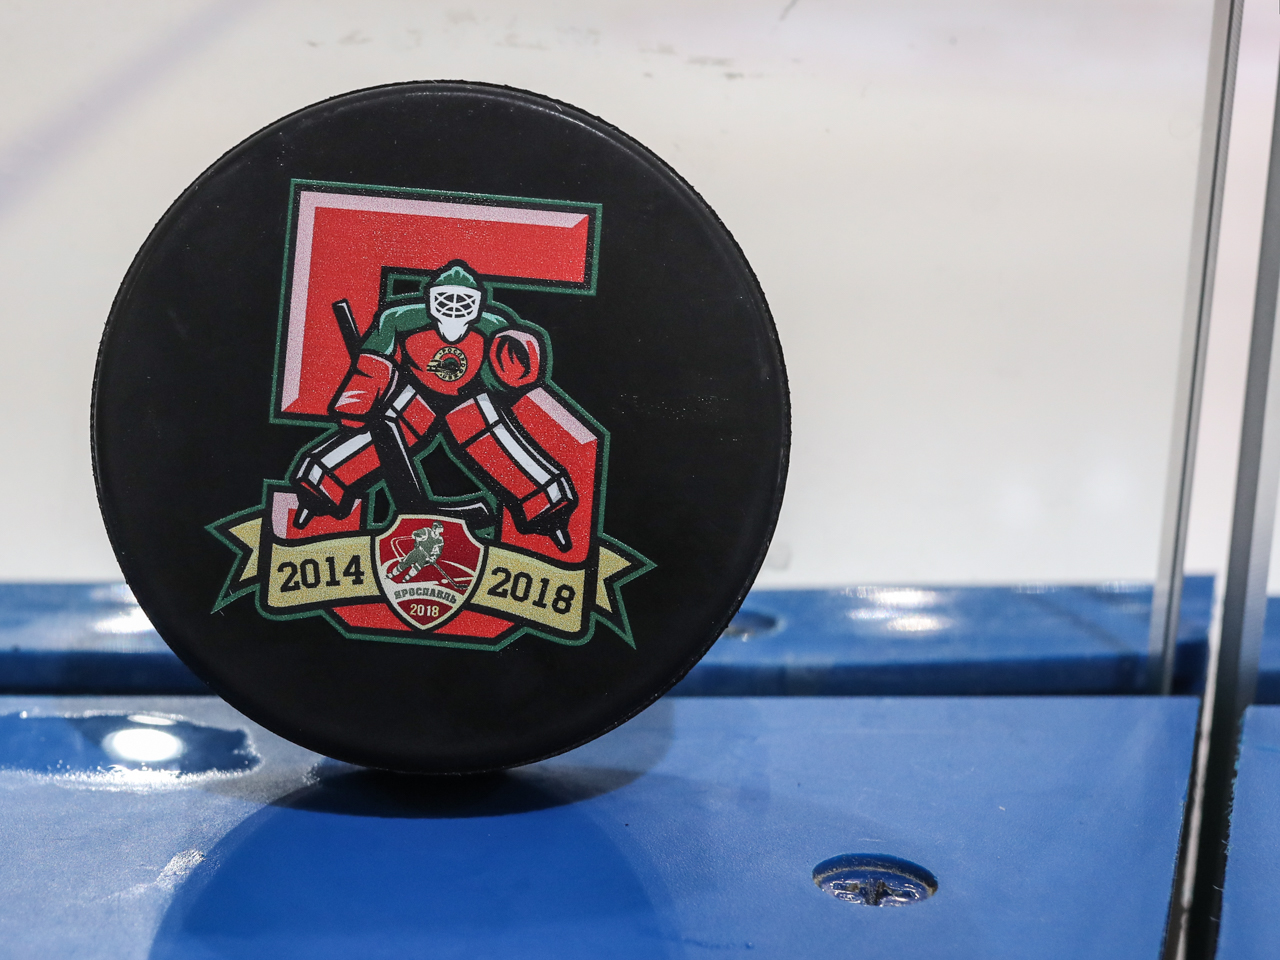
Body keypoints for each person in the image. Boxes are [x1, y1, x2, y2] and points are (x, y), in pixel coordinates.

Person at [290, 260, 577, 551]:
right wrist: (359, 401)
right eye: (446, 298)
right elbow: (374, 363)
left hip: (466, 399)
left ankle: (549, 509)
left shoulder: (493, 326)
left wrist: (516, 368)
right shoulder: (399, 318)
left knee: (498, 443)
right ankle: (318, 490)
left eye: (463, 300)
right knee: (378, 438)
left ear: (478, 303)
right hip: (418, 395)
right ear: (430, 299)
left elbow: (505, 375)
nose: (454, 306)